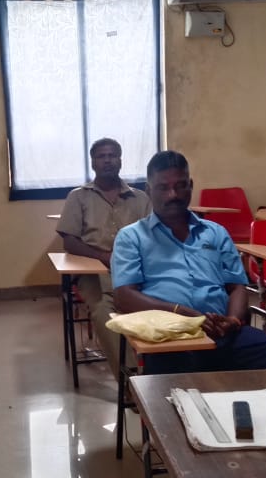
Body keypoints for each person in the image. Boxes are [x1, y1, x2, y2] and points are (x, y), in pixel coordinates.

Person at [112, 150, 266, 374]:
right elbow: (124, 297)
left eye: (180, 186)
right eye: (163, 187)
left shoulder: (216, 232)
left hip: (222, 332)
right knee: (179, 383)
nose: (173, 194)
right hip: (169, 338)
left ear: (191, 186)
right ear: (149, 191)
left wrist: (233, 320)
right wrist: (181, 313)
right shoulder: (132, 237)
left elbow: (236, 287)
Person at [56, 137, 150, 378]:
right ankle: (131, 380)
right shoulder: (78, 197)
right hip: (94, 271)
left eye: (112, 155)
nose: (107, 160)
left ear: (120, 160)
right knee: (103, 311)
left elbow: (153, 237)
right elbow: (69, 241)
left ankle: (160, 371)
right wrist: (104, 257)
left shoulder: (140, 198)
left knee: (164, 300)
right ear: (93, 162)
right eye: (101, 156)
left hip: (137, 269)